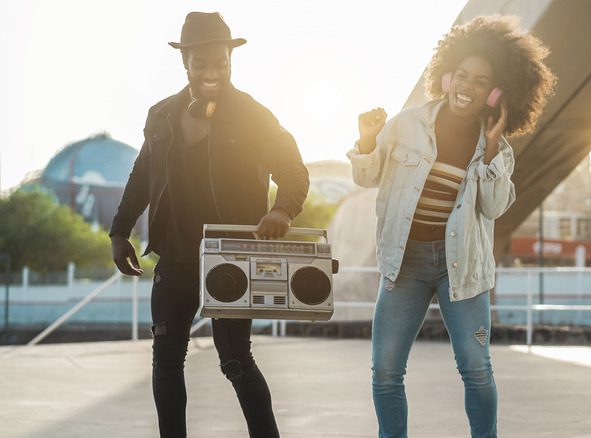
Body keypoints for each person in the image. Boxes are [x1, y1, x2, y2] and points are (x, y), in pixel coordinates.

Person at [348, 15, 555, 437]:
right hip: (404, 263)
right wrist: (368, 140)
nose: (468, 86)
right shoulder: (406, 126)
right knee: (386, 370)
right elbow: (366, 177)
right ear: (446, 77)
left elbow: (495, 207)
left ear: (496, 92)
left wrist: (494, 149)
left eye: (481, 81)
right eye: (462, 75)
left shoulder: (497, 149)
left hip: (460, 267)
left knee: (476, 367)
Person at [109, 12, 309, 438]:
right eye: (200, 63)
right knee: (166, 361)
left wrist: (283, 211)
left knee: (235, 358)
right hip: (176, 256)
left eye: (219, 61)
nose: (211, 70)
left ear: (230, 60)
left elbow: (292, 169)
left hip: (231, 255)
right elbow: (142, 176)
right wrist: (119, 230)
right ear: (186, 64)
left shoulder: (253, 115)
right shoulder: (161, 115)